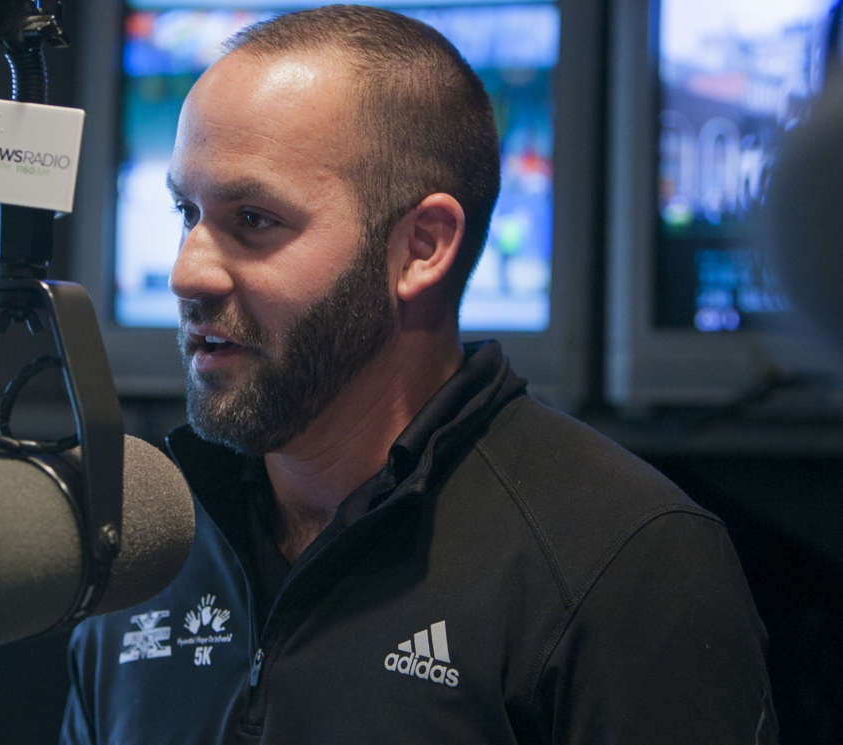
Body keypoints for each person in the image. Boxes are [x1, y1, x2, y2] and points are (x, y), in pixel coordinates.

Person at [60, 6, 777, 743]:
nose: (187, 272)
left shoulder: (627, 560)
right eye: (187, 211)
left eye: (253, 219)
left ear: (423, 246)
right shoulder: (151, 548)